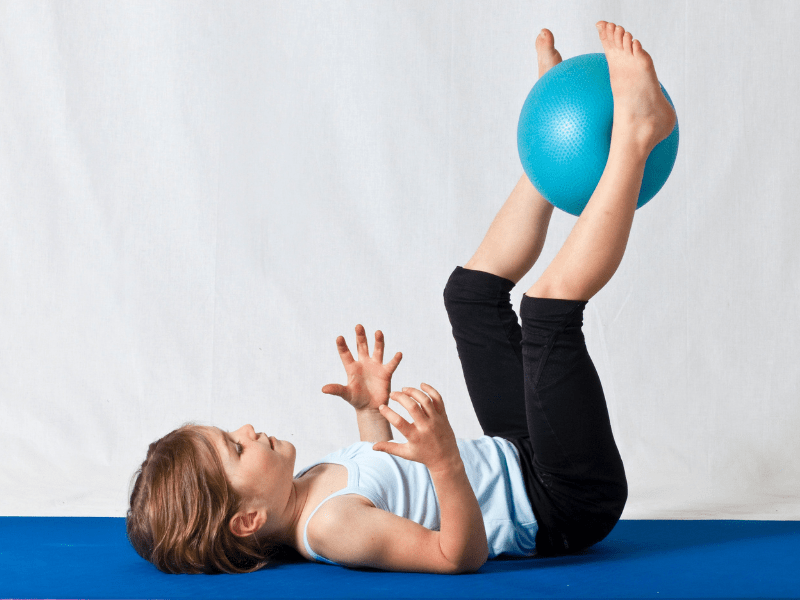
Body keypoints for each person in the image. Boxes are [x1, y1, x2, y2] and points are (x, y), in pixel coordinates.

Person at [126, 21, 677, 575]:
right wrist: (443, 463)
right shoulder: (332, 528)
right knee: (547, 313)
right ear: (246, 519)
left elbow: (383, 475)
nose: (245, 431)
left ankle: (550, 149)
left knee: (470, 295)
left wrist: (370, 412)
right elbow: (456, 556)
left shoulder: (304, 486)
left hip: (519, 454)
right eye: (235, 449)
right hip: (563, 500)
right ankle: (636, 132)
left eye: (231, 434)